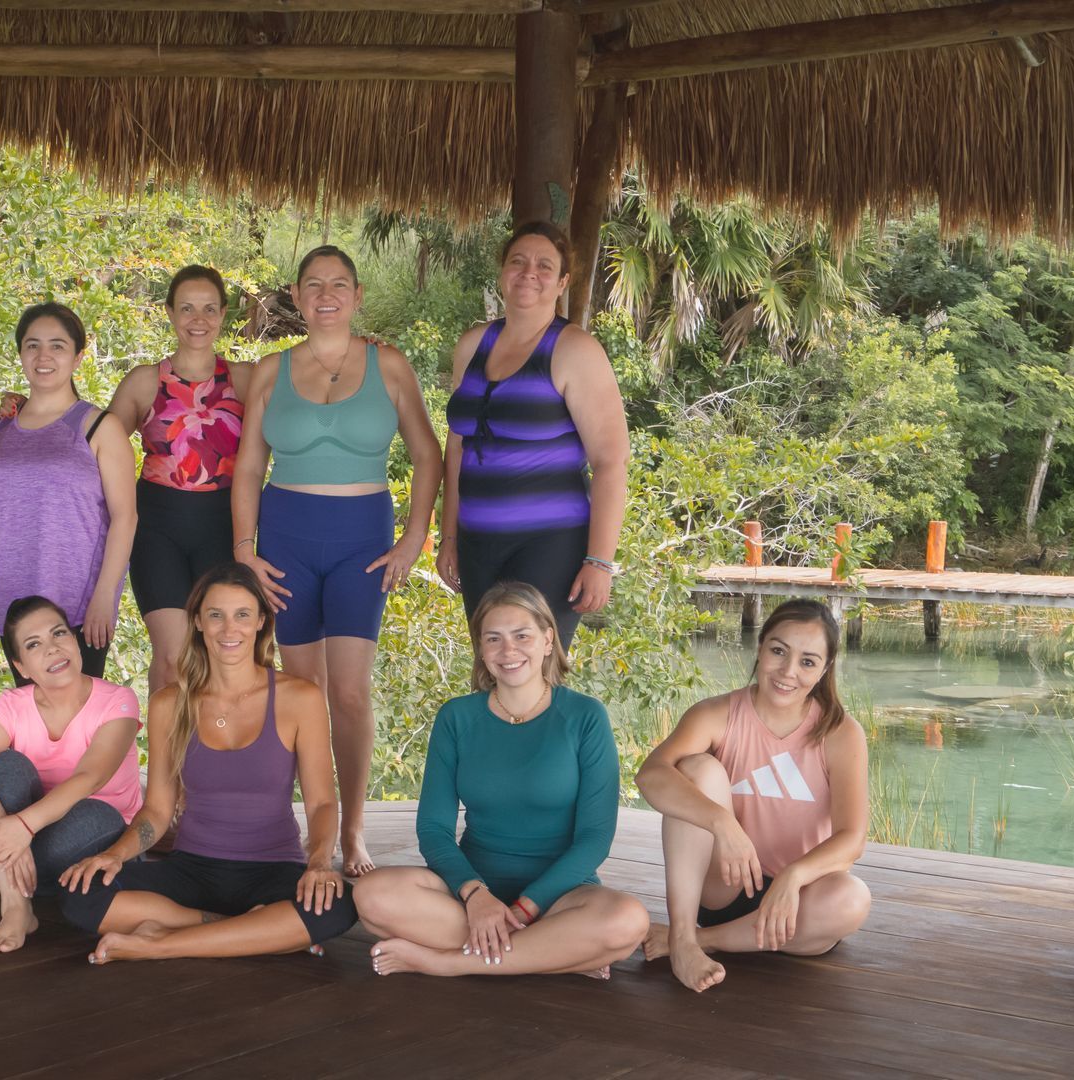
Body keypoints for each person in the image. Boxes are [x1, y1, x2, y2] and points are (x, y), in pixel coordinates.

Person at [233, 245, 442, 876]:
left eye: (339, 284)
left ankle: (352, 832)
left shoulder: (391, 365)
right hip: (287, 539)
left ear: (356, 296)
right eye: (313, 284)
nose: (326, 294)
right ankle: (314, 829)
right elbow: (248, 468)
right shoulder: (270, 371)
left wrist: (413, 540)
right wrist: (244, 550)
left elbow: (429, 458)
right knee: (303, 691)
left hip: (362, 540)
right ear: (296, 297)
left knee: (349, 693)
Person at [58, 563, 356, 962]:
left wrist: (319, 863)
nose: (228, 630)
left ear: (261, 622)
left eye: (242, 615)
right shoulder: (169, 702)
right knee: (81, 893)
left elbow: (321, 803)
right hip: (192, 870)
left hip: (274, 869)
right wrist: (114, 854)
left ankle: (159, 943)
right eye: (216, 615)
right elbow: (159, 810)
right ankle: (253, 929)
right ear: (197, 620)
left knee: (337, 906)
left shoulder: (299, 698)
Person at [356, 582, 647, 978]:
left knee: (627, 921)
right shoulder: (456, 717)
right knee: (372, 896)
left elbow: (595, 838)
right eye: (493, 639)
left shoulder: (584, 716)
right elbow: (433, 829)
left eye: (522, 636)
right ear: (481, 649)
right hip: (471, 891)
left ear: (548, 640)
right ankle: (554, 954)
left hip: (562, 895)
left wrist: (527, 907)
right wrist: (476, 896)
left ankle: (448, 963)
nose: (508, 651)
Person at [636, 599, 873, 992]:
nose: (788, 672)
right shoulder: (717, 714)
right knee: (695, 770)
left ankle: (698, 942)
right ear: (761, 647)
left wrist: (794, 877)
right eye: (778, 651)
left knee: (851, 899)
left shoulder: (840, 733)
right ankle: (684, 935)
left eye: (808, 661)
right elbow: (651, 776)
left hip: (799, 902)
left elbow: (853, 839)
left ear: (825, 669)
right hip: (724, 885)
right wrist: (722, 824)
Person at [437, 222, 627, 642]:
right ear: (502, 272)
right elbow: (458, 447)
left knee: (533, 668)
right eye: (517, 262)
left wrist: (599, 561)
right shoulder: (472, 345)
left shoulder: (574, 349)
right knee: (491, 665)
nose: (529, 273)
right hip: (476, 543)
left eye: (544, 266)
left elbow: (611, 461)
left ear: (562, 282)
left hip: (550, 544)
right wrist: (448, 535)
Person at [0, 595, 143, 953]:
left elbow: (90, 778)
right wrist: (5, 834)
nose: (52, 649)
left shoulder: (119, 700)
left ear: (75, 639)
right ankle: (17, 906)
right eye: (34, 644)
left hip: (103, 831)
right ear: (20, 666)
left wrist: (21, 829)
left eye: (59, 633)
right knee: (6, 766)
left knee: (96, 814)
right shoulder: (11, 705)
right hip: (33, 825)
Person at [104, 265, 250, 697]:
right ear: (169, 312)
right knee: (171, 657)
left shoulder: (245, 379)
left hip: (222, 528)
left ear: (223, 314)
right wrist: (23, 406)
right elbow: (92, 444)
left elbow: (308, 388)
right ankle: (167, 763)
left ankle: (207, 761)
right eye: (186, 308)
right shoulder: (144, 382)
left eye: (208, 309)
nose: (198, 319)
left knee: (215, 657)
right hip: (157, 528)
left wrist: (358, 347)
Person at [0, 302, 137, 682]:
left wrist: (103, 599)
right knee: (34, 721)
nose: (43, 356)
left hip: (78, 607)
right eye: (32, 345)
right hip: (14, 604)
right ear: (20, 353)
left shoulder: (98, 427)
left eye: (57, 346)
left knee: (78, 725)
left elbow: (125, 518)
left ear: (79, 356)